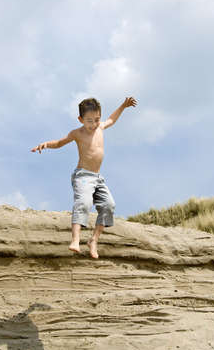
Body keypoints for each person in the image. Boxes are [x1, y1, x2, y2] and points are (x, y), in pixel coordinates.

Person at [31, 96, 137, 259]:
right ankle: (75, 239)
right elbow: (60, 142)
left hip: (97, 178)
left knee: (109, 205)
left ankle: (93, 240)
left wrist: (123, 106)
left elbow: (112, 119)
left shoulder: (100, 128)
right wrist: (45, 144)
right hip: (83, 176)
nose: (93, 124)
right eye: (89, 121)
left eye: (96, 119)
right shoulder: (77, 133)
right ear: (80, 119)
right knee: (84, 203)